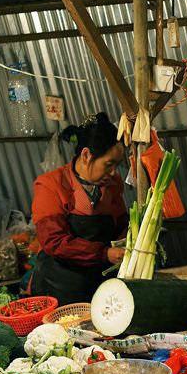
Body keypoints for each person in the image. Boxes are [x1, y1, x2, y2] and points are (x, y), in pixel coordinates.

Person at [31, 113, 128, 305]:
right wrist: (104, 253)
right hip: (59, 288)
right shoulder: (50, 185)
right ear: (86, 155)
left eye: (117, 165)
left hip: (100, 285)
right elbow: (55, 241)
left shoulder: (113, 184)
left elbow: (120, 223)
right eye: (109, 165)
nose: (114, 172)